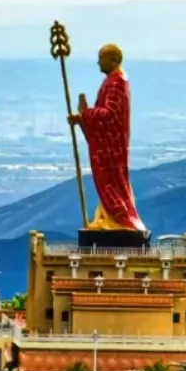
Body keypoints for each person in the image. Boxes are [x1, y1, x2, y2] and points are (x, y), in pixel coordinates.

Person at [68, 43, 147, 233]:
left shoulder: (116, 82)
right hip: (107, 145)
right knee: (107, 181)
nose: (98, 63)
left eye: (101, 58)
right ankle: (109, 218)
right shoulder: (113, 80)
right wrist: (83, 118)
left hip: (111, 146)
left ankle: (120, 220)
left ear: (112, 60)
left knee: (112, 181)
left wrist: (85, 114)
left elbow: (110, 114)